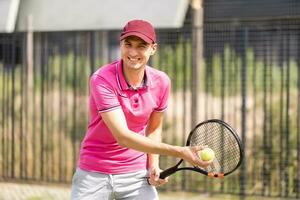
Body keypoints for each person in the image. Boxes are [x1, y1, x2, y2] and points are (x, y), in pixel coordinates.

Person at [70, 19, 210, 200]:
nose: (133, 52)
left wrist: (154, 164)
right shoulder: (102, 79)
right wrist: (180, 151)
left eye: (141, 46)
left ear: (153, 48)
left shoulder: (162, 82)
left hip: (136, 175)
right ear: (121, 45)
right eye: (128, 44)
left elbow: (154, 128)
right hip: (93, 173)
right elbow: (122, 136)